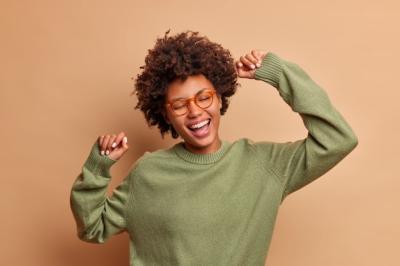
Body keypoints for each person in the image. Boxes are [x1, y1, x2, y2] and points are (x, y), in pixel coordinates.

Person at [70, 30, 358, 266]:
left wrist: (279, 73)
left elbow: (337, 139)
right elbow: (93, 227)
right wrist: (98, 167)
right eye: (180, 105)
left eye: (204, 97)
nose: (194, 111)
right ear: (166, 115)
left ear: (220, 98)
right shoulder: (148, 173)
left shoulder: (264, 166)